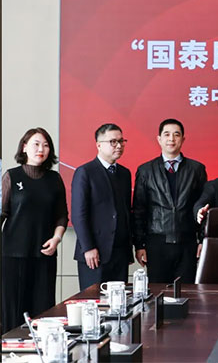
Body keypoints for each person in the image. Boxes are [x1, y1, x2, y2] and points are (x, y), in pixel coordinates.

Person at [1, 128, 68, 333]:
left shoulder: (54, 179)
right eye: (36, 144)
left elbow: (62, 215)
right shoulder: (12, 176)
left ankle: (42, 348)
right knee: (13, 310)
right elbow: (2, 213)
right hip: (13, 254)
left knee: (44, 309)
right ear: (24, 147)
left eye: (46, 145)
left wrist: (56, 239)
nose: (41, 149)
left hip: (44, 254)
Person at [133, 118, 207, 283]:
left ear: (183, 139)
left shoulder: (196, 169)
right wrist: (139, 245)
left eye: (176, 135)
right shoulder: (146, 171)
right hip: (156, 243)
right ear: (159, 139)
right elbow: (139, 210)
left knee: (186, 292)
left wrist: (203, 240)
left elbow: (203, 208)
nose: (171, 139)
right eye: (167, 134)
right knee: (157, 292)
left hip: (187, 243)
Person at [72, 123, 134, 291]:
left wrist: (129, 250)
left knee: (119, 302)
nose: (119, 146)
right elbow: (78, 215)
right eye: (113, 142)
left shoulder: (124, 173)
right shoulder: (85, 172)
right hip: (95, 253)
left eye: (121, 141)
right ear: (99, 145)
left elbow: (126, 212)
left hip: (120, 253)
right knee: (95, 300)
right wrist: (88, 247)